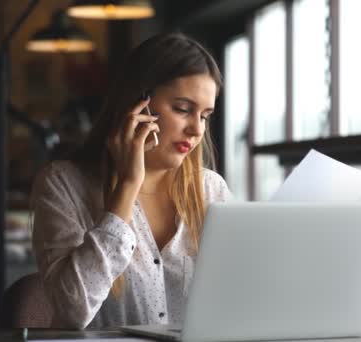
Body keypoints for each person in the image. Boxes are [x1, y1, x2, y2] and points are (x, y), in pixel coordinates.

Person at [30, 33, 232, 329]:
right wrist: (127, 186)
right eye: (183, 109)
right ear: (139, 105)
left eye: (205, 115)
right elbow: (72, 312)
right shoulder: (62, 184)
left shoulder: (211, 190)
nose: (196, 129)